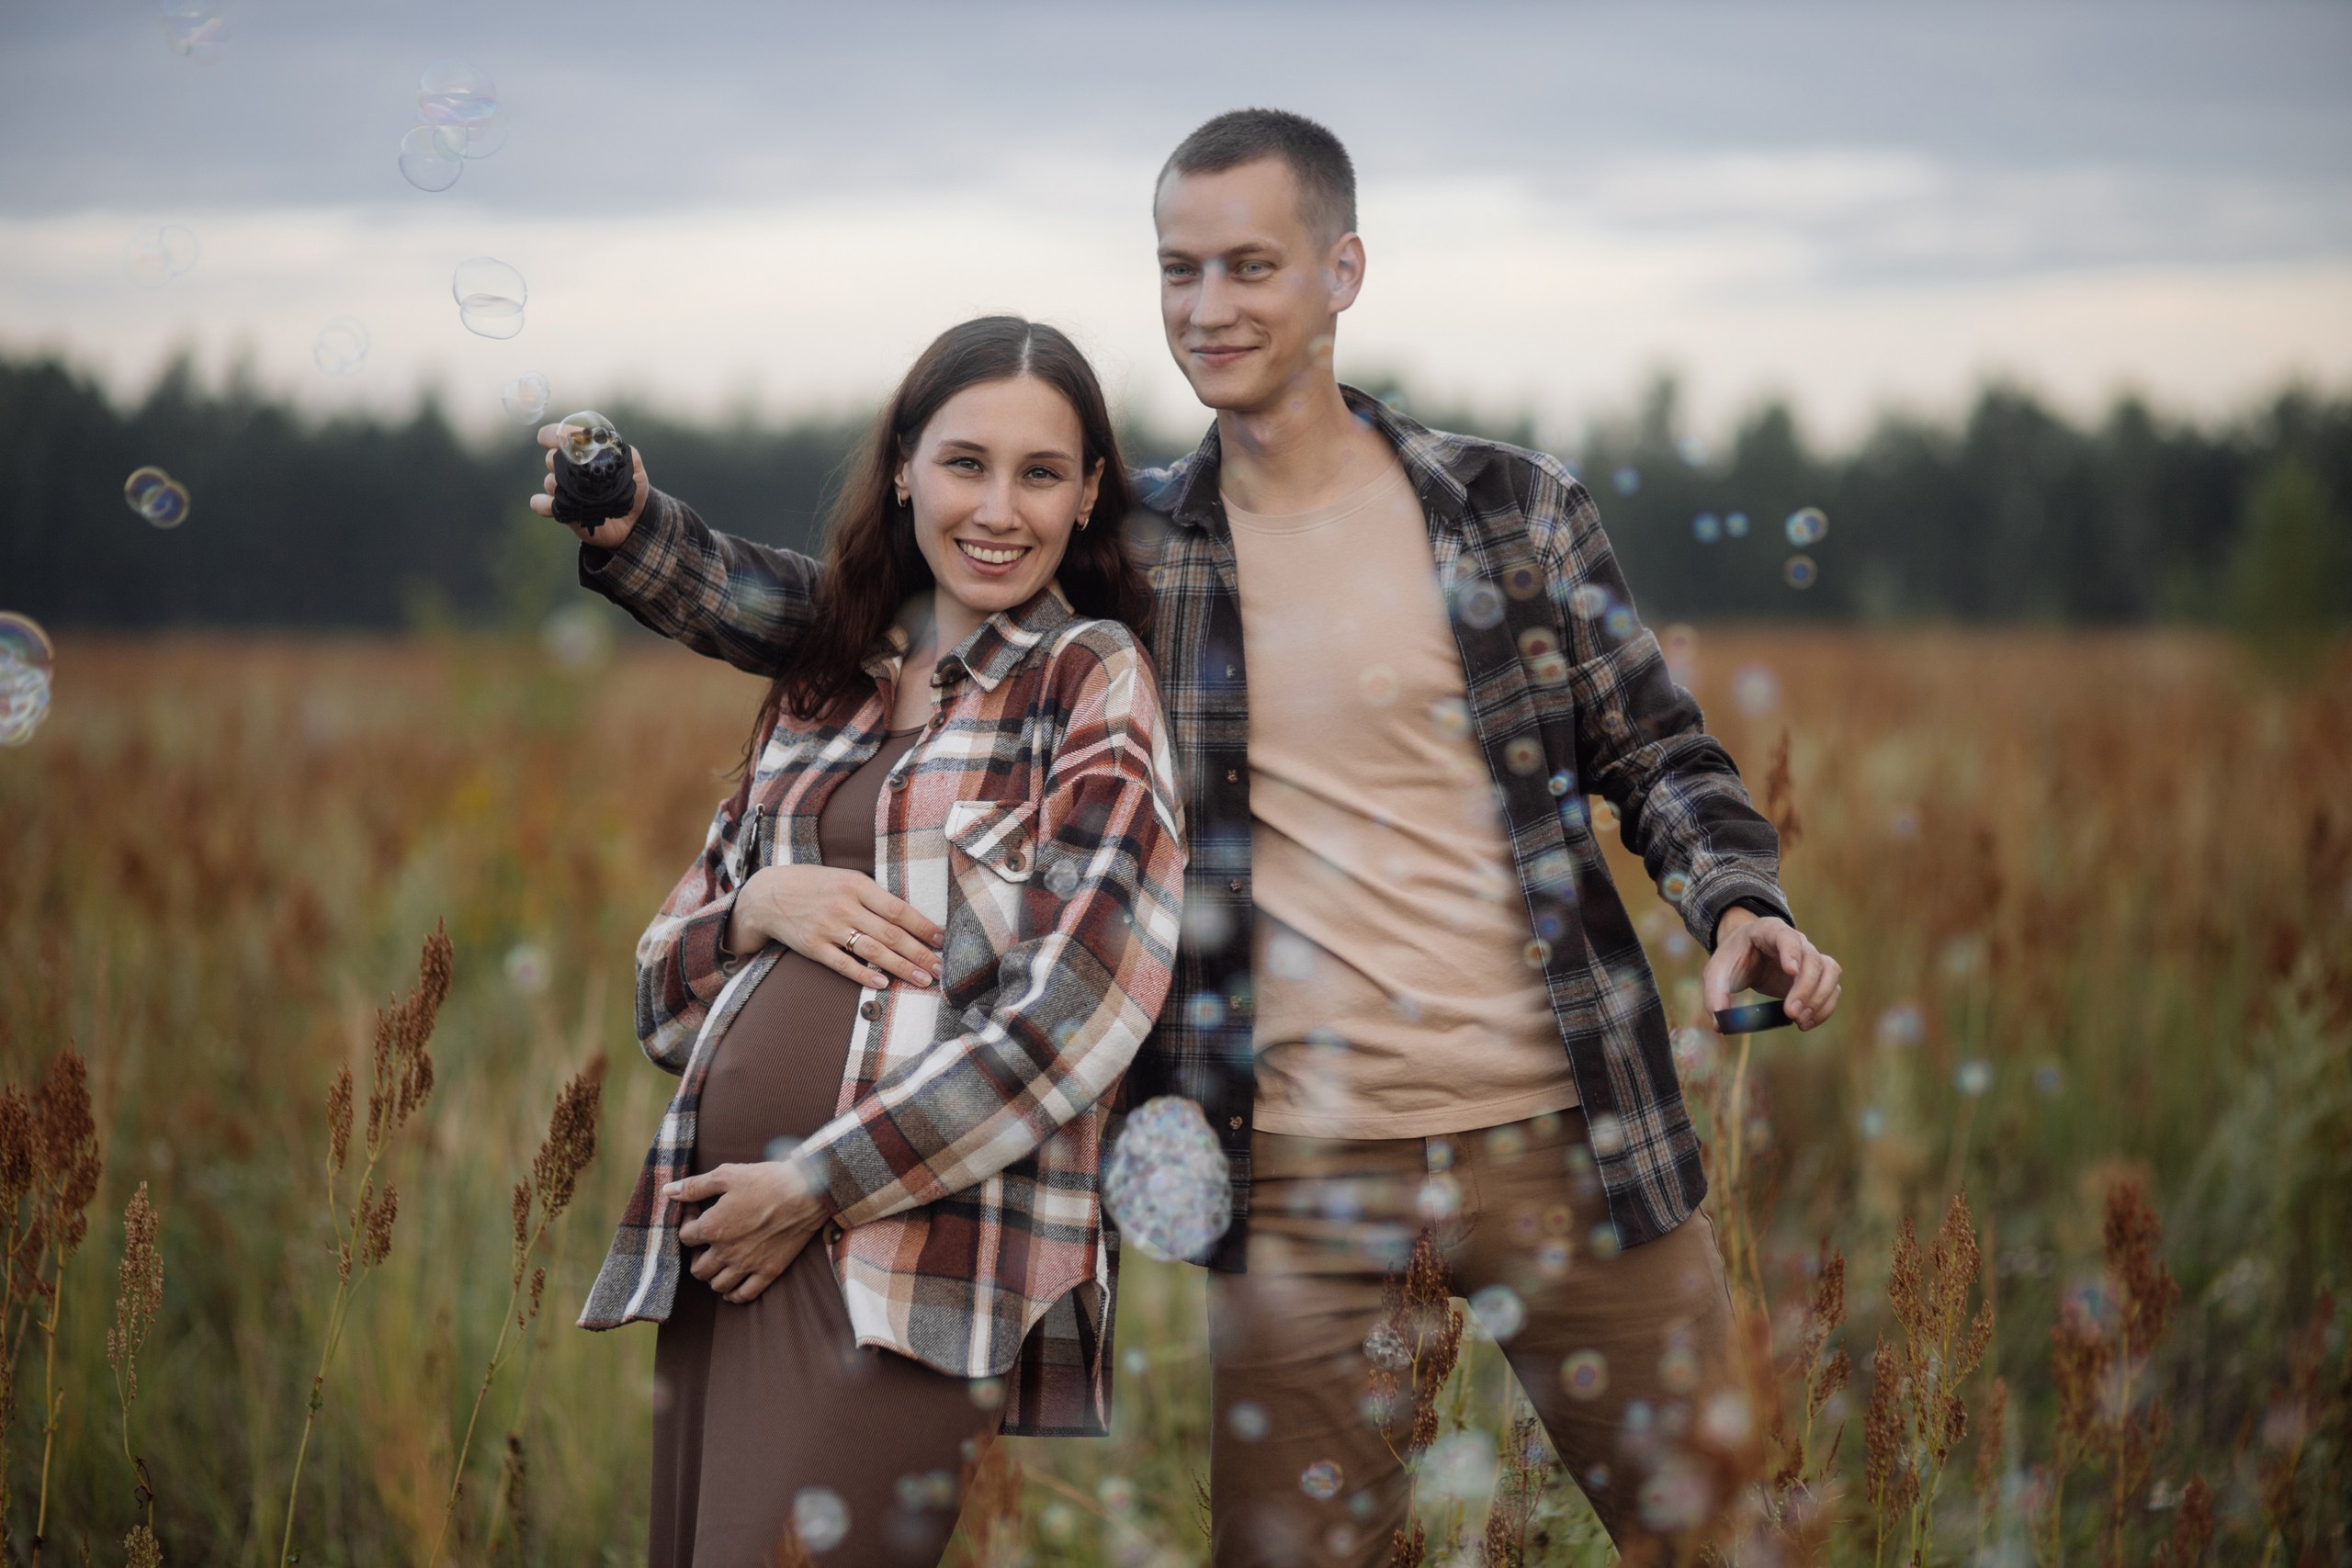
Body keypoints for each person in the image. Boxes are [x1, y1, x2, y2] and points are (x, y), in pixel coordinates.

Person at [558, 112, 1844, 1565]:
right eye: (1179, 270)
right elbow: (845, 608)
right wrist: (632, 532)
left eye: (1251, 266)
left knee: (1722, 1542)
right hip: (1295, 1174)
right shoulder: (1138, 552)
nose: (1208, 308)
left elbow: (1653, 744)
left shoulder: (1510, 512)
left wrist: (1737, 897)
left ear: (1342, 270)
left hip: (1574, 1139)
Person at [566, 316, 1185, 1568]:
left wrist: (817, 1182)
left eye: (1041, 473)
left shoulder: (1088, 680)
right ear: (904, 468)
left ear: (1088, 497)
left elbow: (1082, 1016)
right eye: (966, 464)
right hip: (725, 1239)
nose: (998, 509)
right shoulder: (827, 679)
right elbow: (662, 1001)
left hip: (907, 1260)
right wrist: (757, 909)